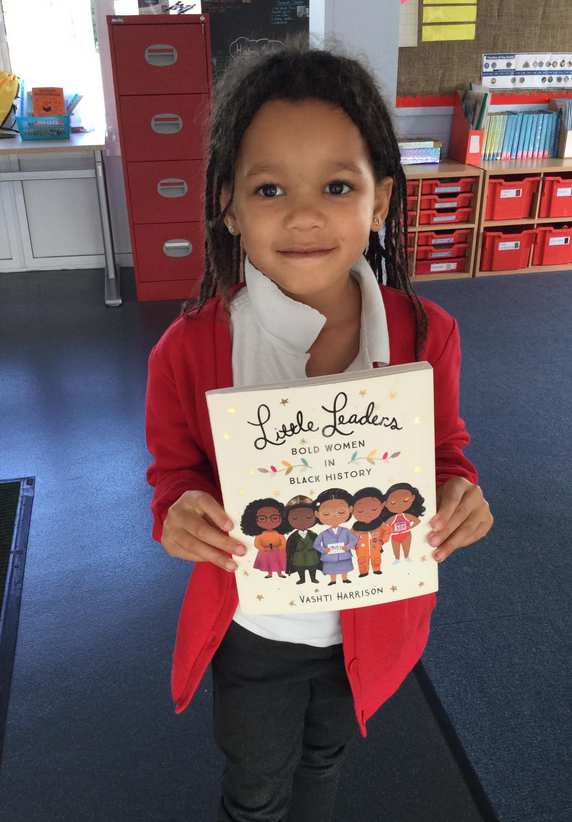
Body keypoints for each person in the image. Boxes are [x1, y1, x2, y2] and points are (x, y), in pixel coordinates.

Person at [145, 36, 493, 822]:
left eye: (338, 185)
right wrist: (177, 511)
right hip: (255, 628)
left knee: (325, 759)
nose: (304, 214)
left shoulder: (425, 334)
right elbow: (173, 473)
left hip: (371, 623)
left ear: (381, 200)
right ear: (229, 206)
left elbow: (444, 451)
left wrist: (459, 490)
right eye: (269, 188)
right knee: (255, 785)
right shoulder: (190, 350)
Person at [313, 488, 358, 584]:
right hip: (329, 557)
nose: (334, 517)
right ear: (317, 514)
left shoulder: (345, 531)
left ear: (350, 509)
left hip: (344, 555)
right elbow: (316, 544)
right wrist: (324, 550)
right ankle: (333, 580)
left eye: (341, 512)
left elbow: (355, 539)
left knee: (344, 567)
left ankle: (345, 579)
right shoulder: (323, 533)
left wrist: (347, 547)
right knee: (331, 569)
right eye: (326, 514)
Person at [351, 486, 392, 577]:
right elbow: (349, 537)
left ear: (382, 506)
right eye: (360, 511)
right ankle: (363, 572)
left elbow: (388, 531)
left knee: (376, 559)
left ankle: (376, 569)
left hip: (376, 547)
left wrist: (383, 540)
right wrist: (353, 546)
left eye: (373, 509)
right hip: (361, 550)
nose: (367, 513)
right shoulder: (355, 528)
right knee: (362, 561)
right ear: (352, 510)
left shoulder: (380, 525)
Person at [284, 495, 322, 584]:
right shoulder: (293, 537)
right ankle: (302, 579)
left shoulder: (313, 535)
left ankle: (313, 578)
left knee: (312, 567)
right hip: (299, 556)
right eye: (294, 518)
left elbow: (318, 545)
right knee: (300, 567)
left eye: (308, 517)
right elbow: (289, 548)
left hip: (311, 555)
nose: (302, 521)